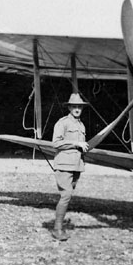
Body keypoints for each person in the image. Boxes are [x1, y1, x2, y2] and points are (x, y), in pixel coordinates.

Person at [51, 93, 90, 241]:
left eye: (79, 107)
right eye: (74, 106)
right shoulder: (63, 123)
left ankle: (59, 226)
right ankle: (57, 229)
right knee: (66, 195)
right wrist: (76, 143)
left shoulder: (81, 125)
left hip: (76, 165)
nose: (77, 109)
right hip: (64, 164)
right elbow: (56, 143)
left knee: (68, 195)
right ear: (69, 107)